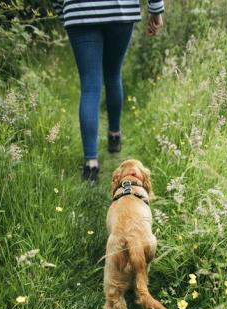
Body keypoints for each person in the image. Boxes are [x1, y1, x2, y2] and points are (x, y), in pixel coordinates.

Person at [52, 0, 164, 185]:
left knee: (89, 86)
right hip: (119, 10)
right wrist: (155, 9)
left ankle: (91, 164)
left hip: (79, 9)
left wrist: (64, 11)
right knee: (113, 74)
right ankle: (114, 136)